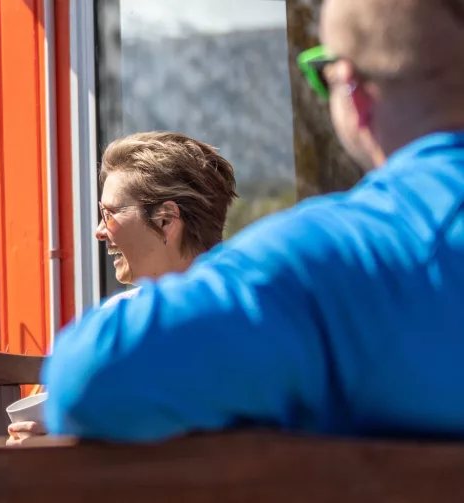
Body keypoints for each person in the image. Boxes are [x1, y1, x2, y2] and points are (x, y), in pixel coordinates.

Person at [41, 0, 464, 442]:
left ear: (350, 89)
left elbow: (84, 379)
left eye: (321, 73)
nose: (98, 230)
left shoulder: (322, 263)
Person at [7, 131, 239, 445]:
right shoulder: (255, 314)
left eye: (110, 213)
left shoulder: (116, 330)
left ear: (166, 220)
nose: (99, 231)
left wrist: (64, 451)